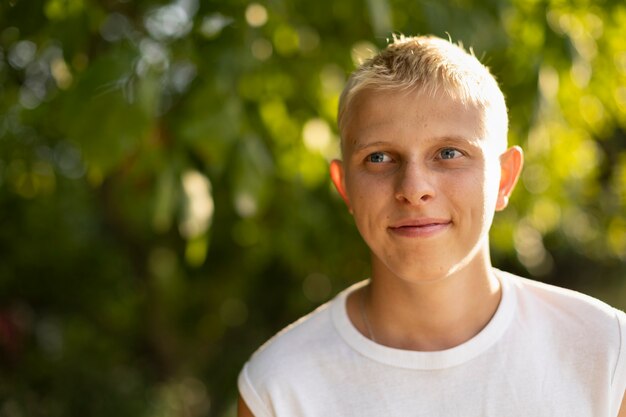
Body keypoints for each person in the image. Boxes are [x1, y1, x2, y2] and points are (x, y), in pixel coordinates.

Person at [237, 34, 626, 416]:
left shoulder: (607, 353)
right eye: (379, 158)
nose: (413, 189)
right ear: (344, 188)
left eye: (448, 153)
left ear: (505, 178)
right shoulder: (279, 387)